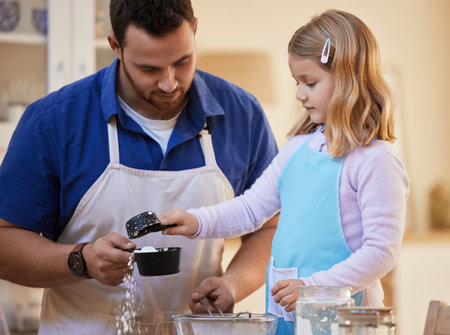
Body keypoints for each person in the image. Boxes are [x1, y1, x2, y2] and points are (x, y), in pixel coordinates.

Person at [0, 1, 279, 334]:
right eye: (149, 69)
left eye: (183, 61)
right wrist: (82, 260)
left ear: (195, 30)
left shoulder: (241, 114)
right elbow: (6, 241)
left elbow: (271, 226)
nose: (169, 83)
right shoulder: (55, 121)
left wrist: (233, 284)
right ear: (116, 47)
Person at [161, 9, 410, 334]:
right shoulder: (296, 149)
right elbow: (251, 209)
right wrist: (196, 221)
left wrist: (312, 287)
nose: (299, 93)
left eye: (310, 82)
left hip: (343, 322)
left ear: (349, 79)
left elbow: (382, 252)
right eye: (297, 82)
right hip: (286, 320)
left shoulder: (376, 161)